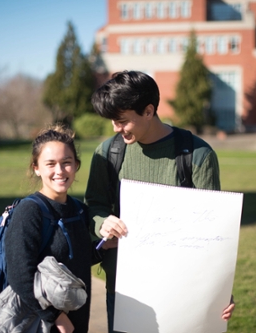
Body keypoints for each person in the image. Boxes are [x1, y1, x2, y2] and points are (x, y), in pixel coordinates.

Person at [84, 71, 235, 332]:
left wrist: (220, 291)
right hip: (125, 289)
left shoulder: (198, 154)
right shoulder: (108, 152)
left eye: (122, 121)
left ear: (148, 111)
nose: (115, 129)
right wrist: (102, 223)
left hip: (182, 292)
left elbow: (213, 233)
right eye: (112, 121)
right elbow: (94, 205)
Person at [4, 125, 103, 333]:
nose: (59, 171)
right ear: (36, 168)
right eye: (50, 164)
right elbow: (20, 277)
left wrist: (104, 248)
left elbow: (75, 258)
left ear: (76, 165)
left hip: (77, 321)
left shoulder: (78, 210)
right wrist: (55, 317)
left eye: (66, 163)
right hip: (42, 323)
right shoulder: (29, 211)